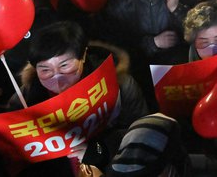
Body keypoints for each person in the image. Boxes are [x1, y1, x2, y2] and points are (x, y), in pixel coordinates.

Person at [10, 21, 149, 169]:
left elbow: (142, 130)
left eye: (64, 66)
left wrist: (102, 150)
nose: (57, 77)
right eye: (45, 69)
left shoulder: (118, 82)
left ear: (82, 55)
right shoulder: (25, 99)